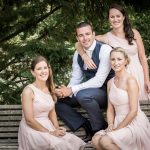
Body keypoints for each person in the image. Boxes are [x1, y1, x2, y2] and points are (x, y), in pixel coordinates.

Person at [76, 3, 150, 101]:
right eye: (112, 17)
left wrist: (147, 79)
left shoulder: (134, 33)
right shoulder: (106, 37)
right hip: (122, 76)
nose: (115, 19)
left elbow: (142, 58)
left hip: (138, 74)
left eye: (118, 16)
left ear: (123, 17)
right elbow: (78, 43)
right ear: (109, 19)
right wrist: (84, 56)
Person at [55, 21, 114, 142]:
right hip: (90, 92)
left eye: (87, 34)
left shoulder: (104, 50)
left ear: (93, 34)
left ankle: (98, 129)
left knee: (83, 95)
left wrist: (72, 89)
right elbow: (76, 78)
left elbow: (98, 81)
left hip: (107, 91)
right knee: (58, 102)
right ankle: (87, 125)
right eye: (81, 35)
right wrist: (66, 92)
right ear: (77, 37)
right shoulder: (77, 54)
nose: (85, 38)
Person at [18, 56, 85, 150]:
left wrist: (56, 128)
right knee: (61, 145)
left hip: (48, 126)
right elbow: (29, 120)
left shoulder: (50, 89)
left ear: (49, 70)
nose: (43, 71)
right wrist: (50, 132)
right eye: (39, 69)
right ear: (33, 72)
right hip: (32, 129)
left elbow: (52, 112)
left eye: (45, 68)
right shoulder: (28, 91)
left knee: (73, 141)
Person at [92, 47, 150, 150]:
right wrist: (110, 125)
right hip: (117, 121)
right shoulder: (110, 83)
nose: (116, 62)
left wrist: (117, 130)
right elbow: (110, 109)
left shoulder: (130, 80)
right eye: (113, 59)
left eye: (119, 59)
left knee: (105, 141)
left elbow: (134, 111)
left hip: (133, 123)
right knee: (96, 140)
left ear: (126, 61)